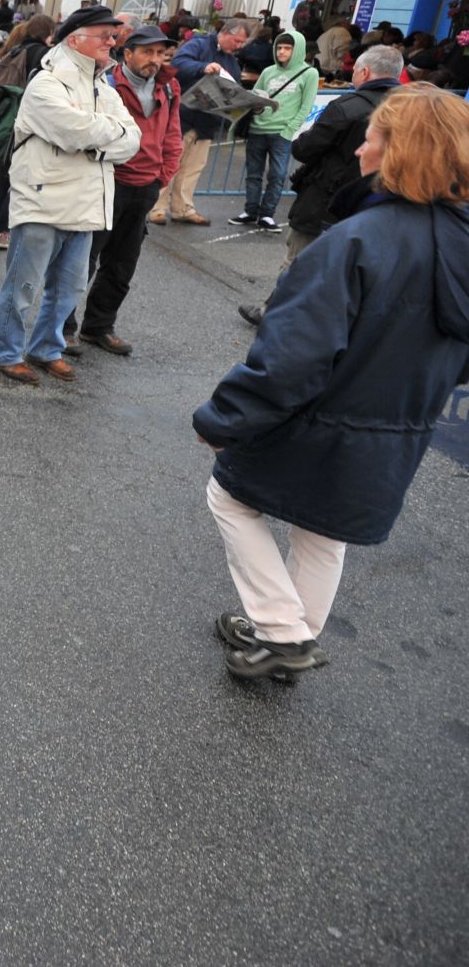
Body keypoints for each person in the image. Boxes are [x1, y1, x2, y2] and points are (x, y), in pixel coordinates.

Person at [195, 84, 469, 679]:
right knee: (322, 530)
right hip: (400, 422)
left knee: (230, 498)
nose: (362, 147)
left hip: (324, 415)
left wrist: (224, 420)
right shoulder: (459, 239)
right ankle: (289, 633)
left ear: (395, 151)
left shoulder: (354, 240)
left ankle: (284, 632)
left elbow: (291, 355)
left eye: (372, 136)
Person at [0, 6, 139, 386]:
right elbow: (73, 131)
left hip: (87, 203)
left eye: (112, 34)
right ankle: (5, 351)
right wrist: (102, 139)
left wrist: (94, 141)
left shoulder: (103, 85)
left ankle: (46, 348)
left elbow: (132, 139)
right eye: (103, 34)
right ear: (76, 39)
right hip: (44, 200)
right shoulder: (47, 83)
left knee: (69, 287)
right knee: (24, 285)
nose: (112, 41)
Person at [238, 44, 402, 325]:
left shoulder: (348, 106)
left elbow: (306, 148)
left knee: (299, 258)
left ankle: (274, 315)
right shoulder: (411, 107)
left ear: (364, 71)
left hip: (327, 196)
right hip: (382, 201)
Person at [66, 24, 184, 356]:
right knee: (82, 259)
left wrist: (162, 175)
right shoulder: (106, 84)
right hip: (107, 182)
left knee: (122, 263)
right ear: (127, 54)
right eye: (148, 52)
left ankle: (99, 326)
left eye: (161, 53)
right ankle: (63, 327)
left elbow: (173, 135)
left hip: (145, 186)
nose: (155, 60)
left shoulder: (170, 87)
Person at [152, 17, 251, 226]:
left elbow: (234, 87)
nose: (239, 47)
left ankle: (183, 208)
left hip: (207, 122)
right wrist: (203, 67)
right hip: (183, 118)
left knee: (193, 168)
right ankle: (157, 208)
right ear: (224, 33)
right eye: (237, 41)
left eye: (242, 43)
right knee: (170, 163)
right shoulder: (199, 44)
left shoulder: (232, 62)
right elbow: (178, 64)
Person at [0, 14, 57, 250]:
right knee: (17, 180)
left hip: (2, 123)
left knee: (1, 177)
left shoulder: (12, 52)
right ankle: (0, 231)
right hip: (23, 123)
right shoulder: (42, 55)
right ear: (48, 33)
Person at [232, 28, 319, 230]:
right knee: (253, 173)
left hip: (281, 132)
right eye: (279, 47)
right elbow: (255, 95)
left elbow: (306, 106)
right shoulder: (268, 71)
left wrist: (289, 129)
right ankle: (250, 210)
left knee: (277, 174)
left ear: (297, 50)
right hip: (258, 128)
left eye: (287, 48)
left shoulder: (309, 73)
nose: (281, 52)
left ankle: (267, 213)